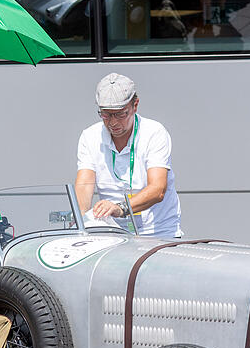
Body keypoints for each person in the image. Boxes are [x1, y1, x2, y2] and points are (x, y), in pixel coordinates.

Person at [75, 73, 182, 238]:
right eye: (106, 114)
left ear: (135, 105)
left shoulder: (154, 132)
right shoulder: (90, 136)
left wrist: (121, 208)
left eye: (120, 114)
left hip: (159, 232)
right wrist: (81, 220)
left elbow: (158, 189)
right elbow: (84, 184)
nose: (113, 122)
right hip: (114, 233)